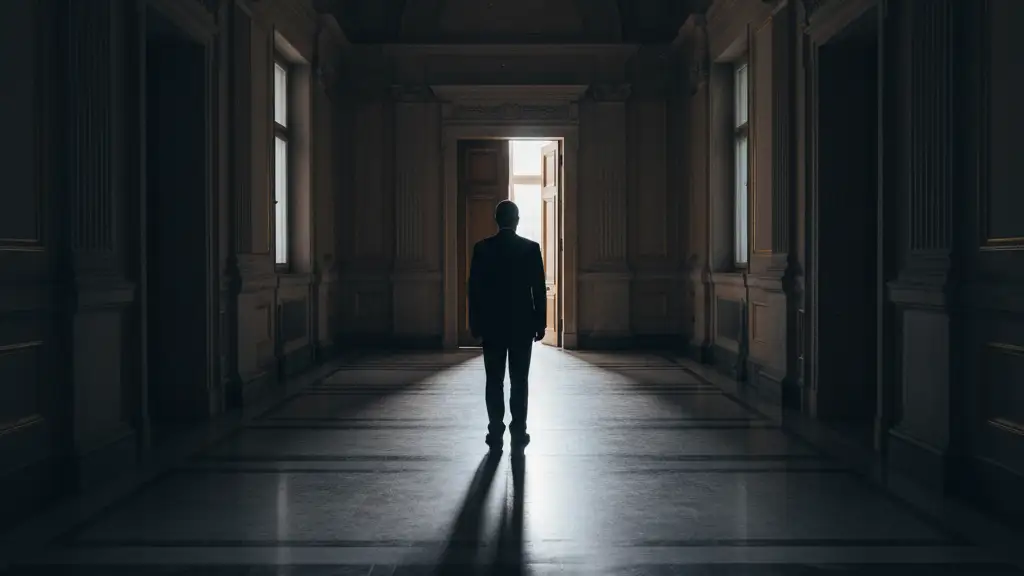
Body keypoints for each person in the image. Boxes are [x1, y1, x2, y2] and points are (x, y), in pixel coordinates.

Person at [468, 199, 546, 452]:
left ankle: (495, 431)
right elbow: (538, 290)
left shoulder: (482, 249)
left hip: (492, 325)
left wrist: (475, 324)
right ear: (517, 220)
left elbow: (474, 291)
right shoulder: (530, 249)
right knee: (519, 380)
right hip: (522, 325)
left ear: (496, 220)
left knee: (494, 380)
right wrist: (541, 323)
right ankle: (519, 431)